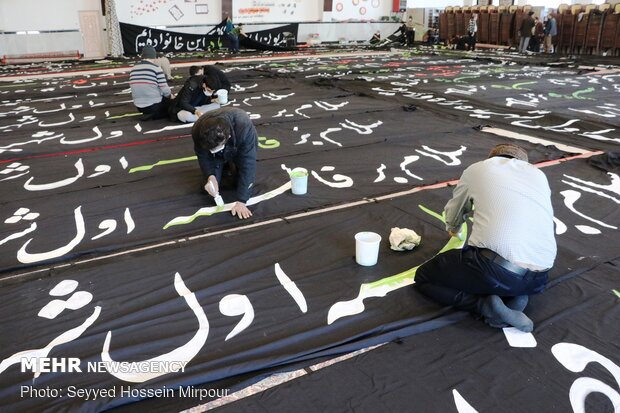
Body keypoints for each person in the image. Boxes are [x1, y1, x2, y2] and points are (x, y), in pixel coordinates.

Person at [414, 143, 556, 332]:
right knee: (505, 273)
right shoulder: (538, 175)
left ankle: (483, 306)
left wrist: (453, 229)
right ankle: (514, 297)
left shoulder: (479, 169)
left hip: (495, 270)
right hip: (540, 278)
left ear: (492, 158)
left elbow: (455, 212)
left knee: (424, 276)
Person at [192, 107, 258, 220]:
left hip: (238, 146)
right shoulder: (197, 130)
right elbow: (203, 156)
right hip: (217, 152)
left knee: (240, 182)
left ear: (228, 137)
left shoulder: (243, 126)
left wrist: (242, 201)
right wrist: (210, 176)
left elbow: (248, 163)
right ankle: (222, 165)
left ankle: (231, 164)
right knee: (208, 189)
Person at [129, 45, 172, 121]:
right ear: (154, 56)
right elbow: (166, 91)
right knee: (173, 105)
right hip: (154, 105)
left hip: (139, 107)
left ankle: (150, 114)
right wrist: (171, 97)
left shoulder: (134, 69)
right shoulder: (156, 69)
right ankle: (155, 114)